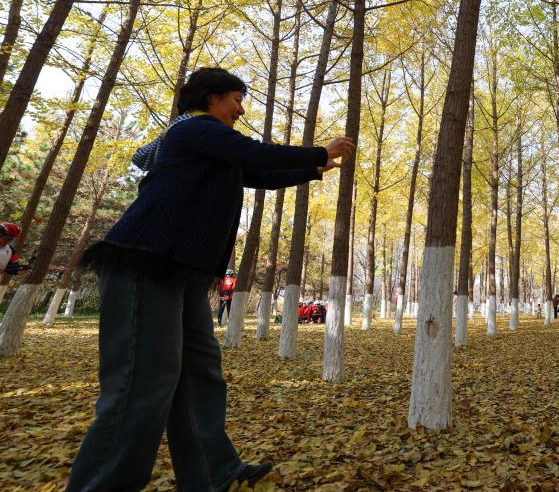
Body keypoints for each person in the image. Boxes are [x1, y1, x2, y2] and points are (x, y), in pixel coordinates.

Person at [66, 67, 355, 491]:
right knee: (142, 382)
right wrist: (316, 151)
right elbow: (256, 156)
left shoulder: (212, 148)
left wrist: (314, 168)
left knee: (199, 370)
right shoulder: (193, 130)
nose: (241, 109)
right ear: (211, 99)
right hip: (145, 265)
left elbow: (260, 174)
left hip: (180, 272)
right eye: (236, 99)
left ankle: (212, 472)